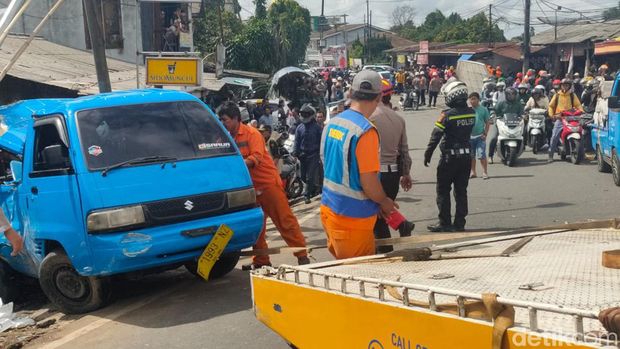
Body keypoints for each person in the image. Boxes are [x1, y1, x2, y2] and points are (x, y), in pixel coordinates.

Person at [217, 102, 309, 269]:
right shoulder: (222, 138)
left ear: (236, 119)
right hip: (249, 190)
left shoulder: (252, 134)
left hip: (267, 185)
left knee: (285, 222)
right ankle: (261, 261)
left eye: (225, 120)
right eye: (220, 120)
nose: (222, 123)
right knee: (257, 229)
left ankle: (302, 257)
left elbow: (256, 157)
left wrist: (235, 166)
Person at [320, 70, 398, 259]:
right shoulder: (365, 131)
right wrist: (383, 201)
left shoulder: (333, 123)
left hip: (329, 210)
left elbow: (325, 161)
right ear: (379, 97)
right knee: (357, 276)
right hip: (353, 220)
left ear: (352, 93)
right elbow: (368, 179)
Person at [369, 79, 415, 253]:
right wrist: (406, 174)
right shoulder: (398, 119)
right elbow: (404, 150)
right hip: (393, 175)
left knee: (377, 219)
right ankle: (403, 225)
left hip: (376, 175)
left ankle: (386, 253)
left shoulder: (369, 118)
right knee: (382, 211)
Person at [424, 80, 475, 232]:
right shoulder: (471, 112)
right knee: (461, 191)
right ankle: (460, 223)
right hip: (466, 158)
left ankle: (445, 223)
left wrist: (428, 153)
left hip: (449, 159)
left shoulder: (447, 115)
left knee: (443, 190)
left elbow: (436, 135)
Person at [547, 78, 583, 163]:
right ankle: (550, 155)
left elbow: (578, 105)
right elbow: (551, 106)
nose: (565, 87)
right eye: (563, 85)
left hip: (571, 118)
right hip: (560, 118)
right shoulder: (557, 95)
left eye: (567, 85)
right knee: (555, 136)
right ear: (560, 86)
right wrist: (552, 115)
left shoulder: (572, 95)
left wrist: (582, 112)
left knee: (581, 132)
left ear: (569, 86)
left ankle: (581, 153)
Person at [294, 104, 323, 204]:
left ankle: (307, 195)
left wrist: (321, 154)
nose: (305, 116)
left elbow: (321, 141)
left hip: (313, 155)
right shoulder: (299, 128)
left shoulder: (317, 128)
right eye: (303, 114)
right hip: (302, 155)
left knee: (309, 176)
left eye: (307, 114)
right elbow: (296, 141)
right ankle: (314, 187)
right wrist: (295, 153)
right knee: (302, 176)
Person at [489, 87, 524, 162]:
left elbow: (521, 113)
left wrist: (523, 116)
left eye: (513, 94)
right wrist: (493, 114)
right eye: (509, 95)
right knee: (494, 138)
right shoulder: (501, 102)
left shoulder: (518, 104)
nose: (511, 96)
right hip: (501, 122)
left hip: (514, 123)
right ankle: (490, 156)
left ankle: (521, 147)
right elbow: (494, 110)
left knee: (521, 135)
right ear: (506, 95)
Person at [468, 92, 491, 180]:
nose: (472, 101)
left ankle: (485, 172)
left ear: (478, 99)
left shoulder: (483, 109)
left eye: (474, 98)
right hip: (469, 137)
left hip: (480, 137)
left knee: (481, 155)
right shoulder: (468, 109)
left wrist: (485, 134)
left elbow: (487, 122)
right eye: (471, 99)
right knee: (471, 156)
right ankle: (473, 172)